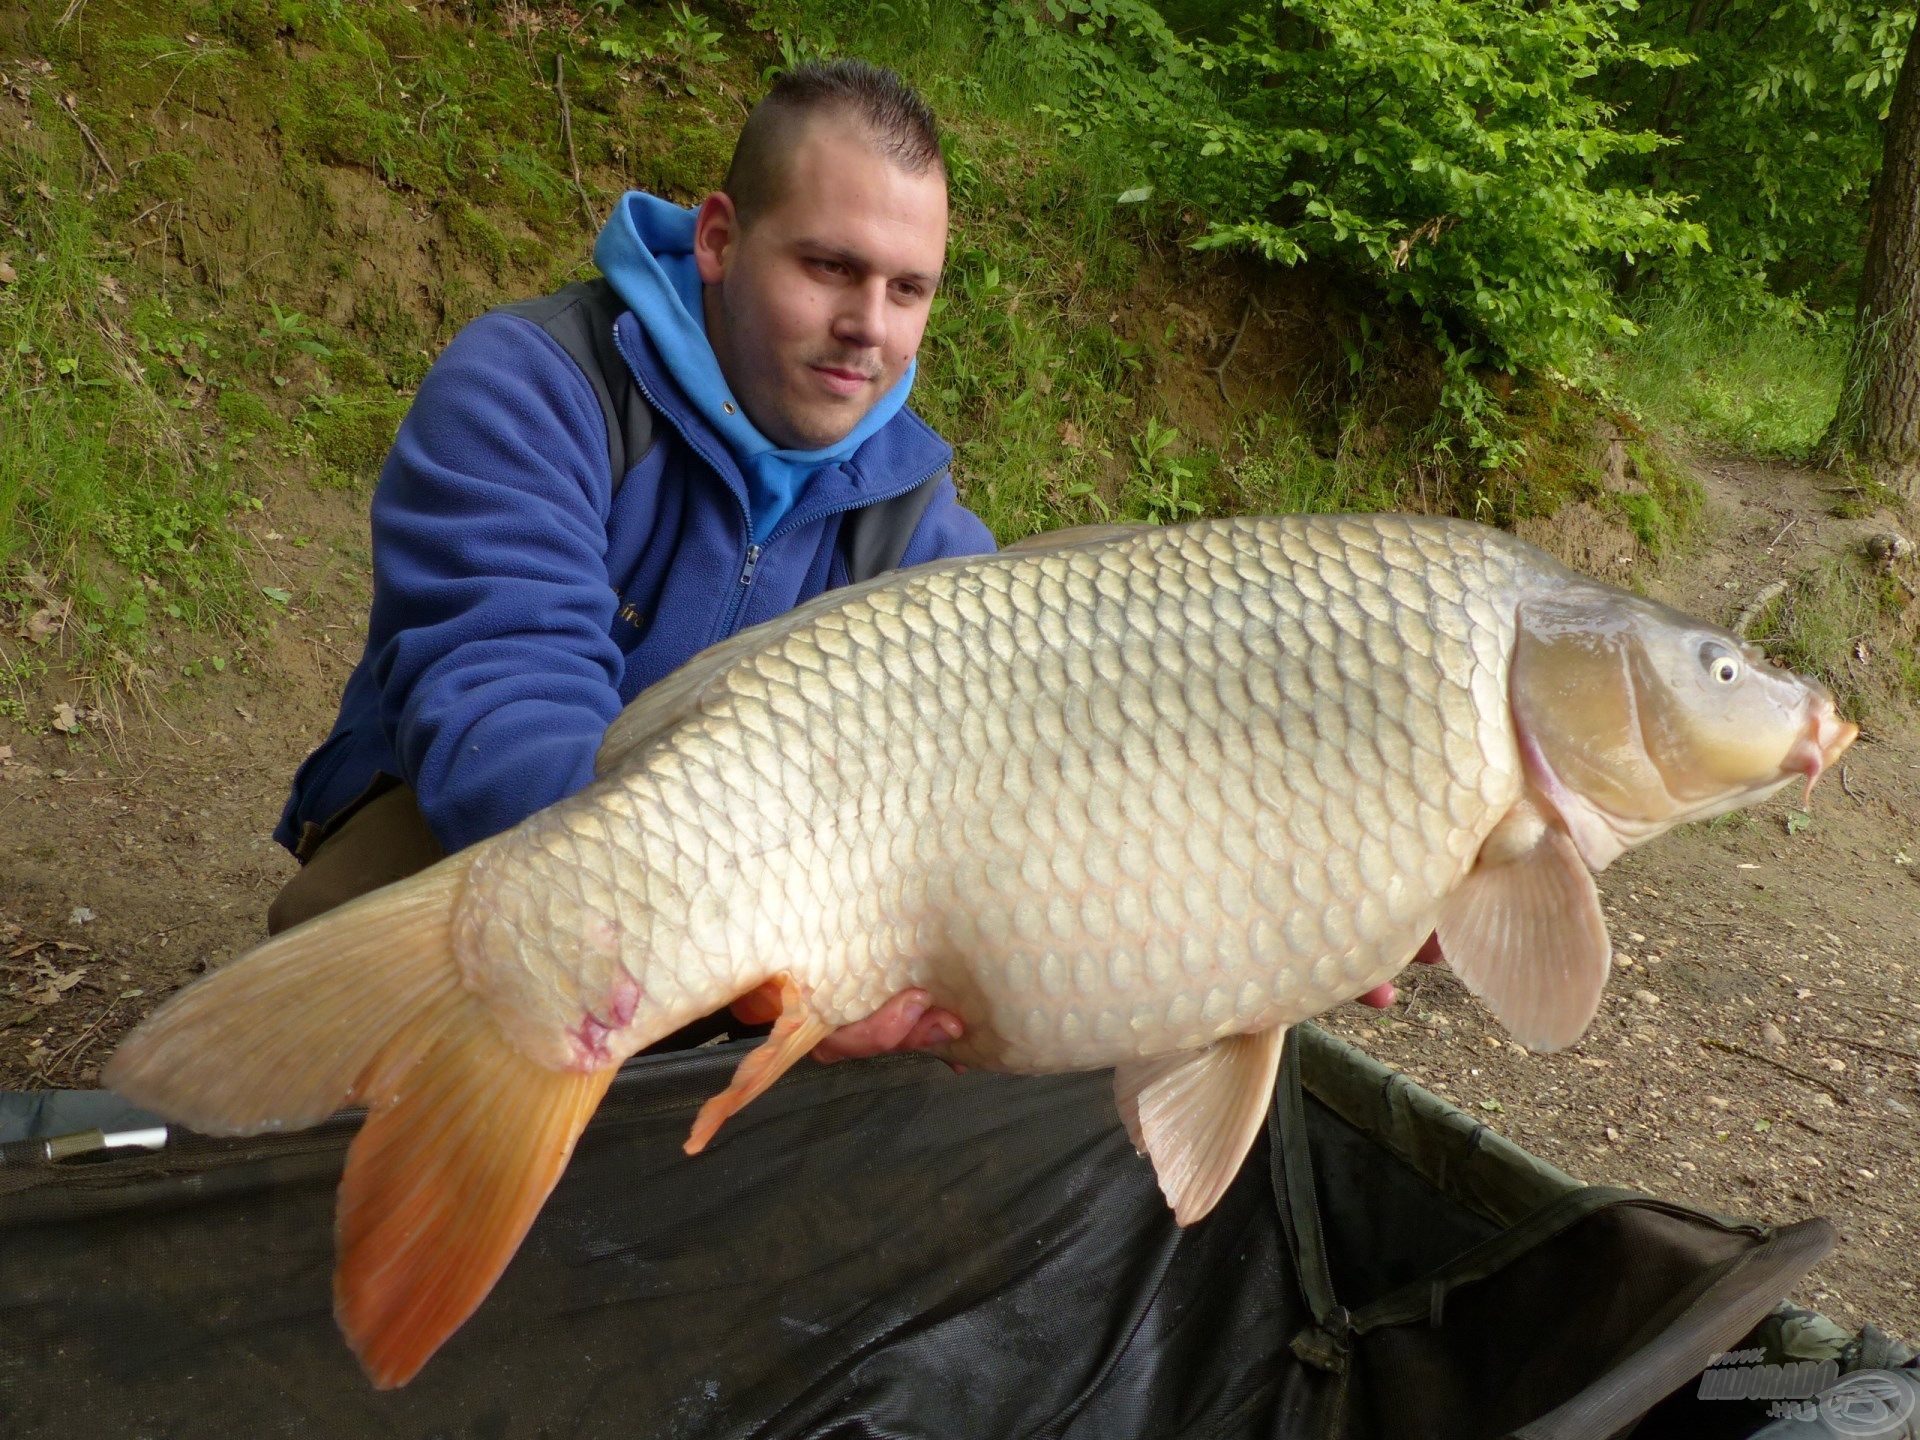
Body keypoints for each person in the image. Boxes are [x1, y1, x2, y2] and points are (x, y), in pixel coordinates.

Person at [265, 60, 984, 1060]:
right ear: (720, 241)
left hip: (764, 903)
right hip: (474, 844)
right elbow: (504, 721)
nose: (869, 325)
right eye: (829, 267)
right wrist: (747, 961)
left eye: (907, 290)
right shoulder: (532, 386)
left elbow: (968, 797)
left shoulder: (919, 519)